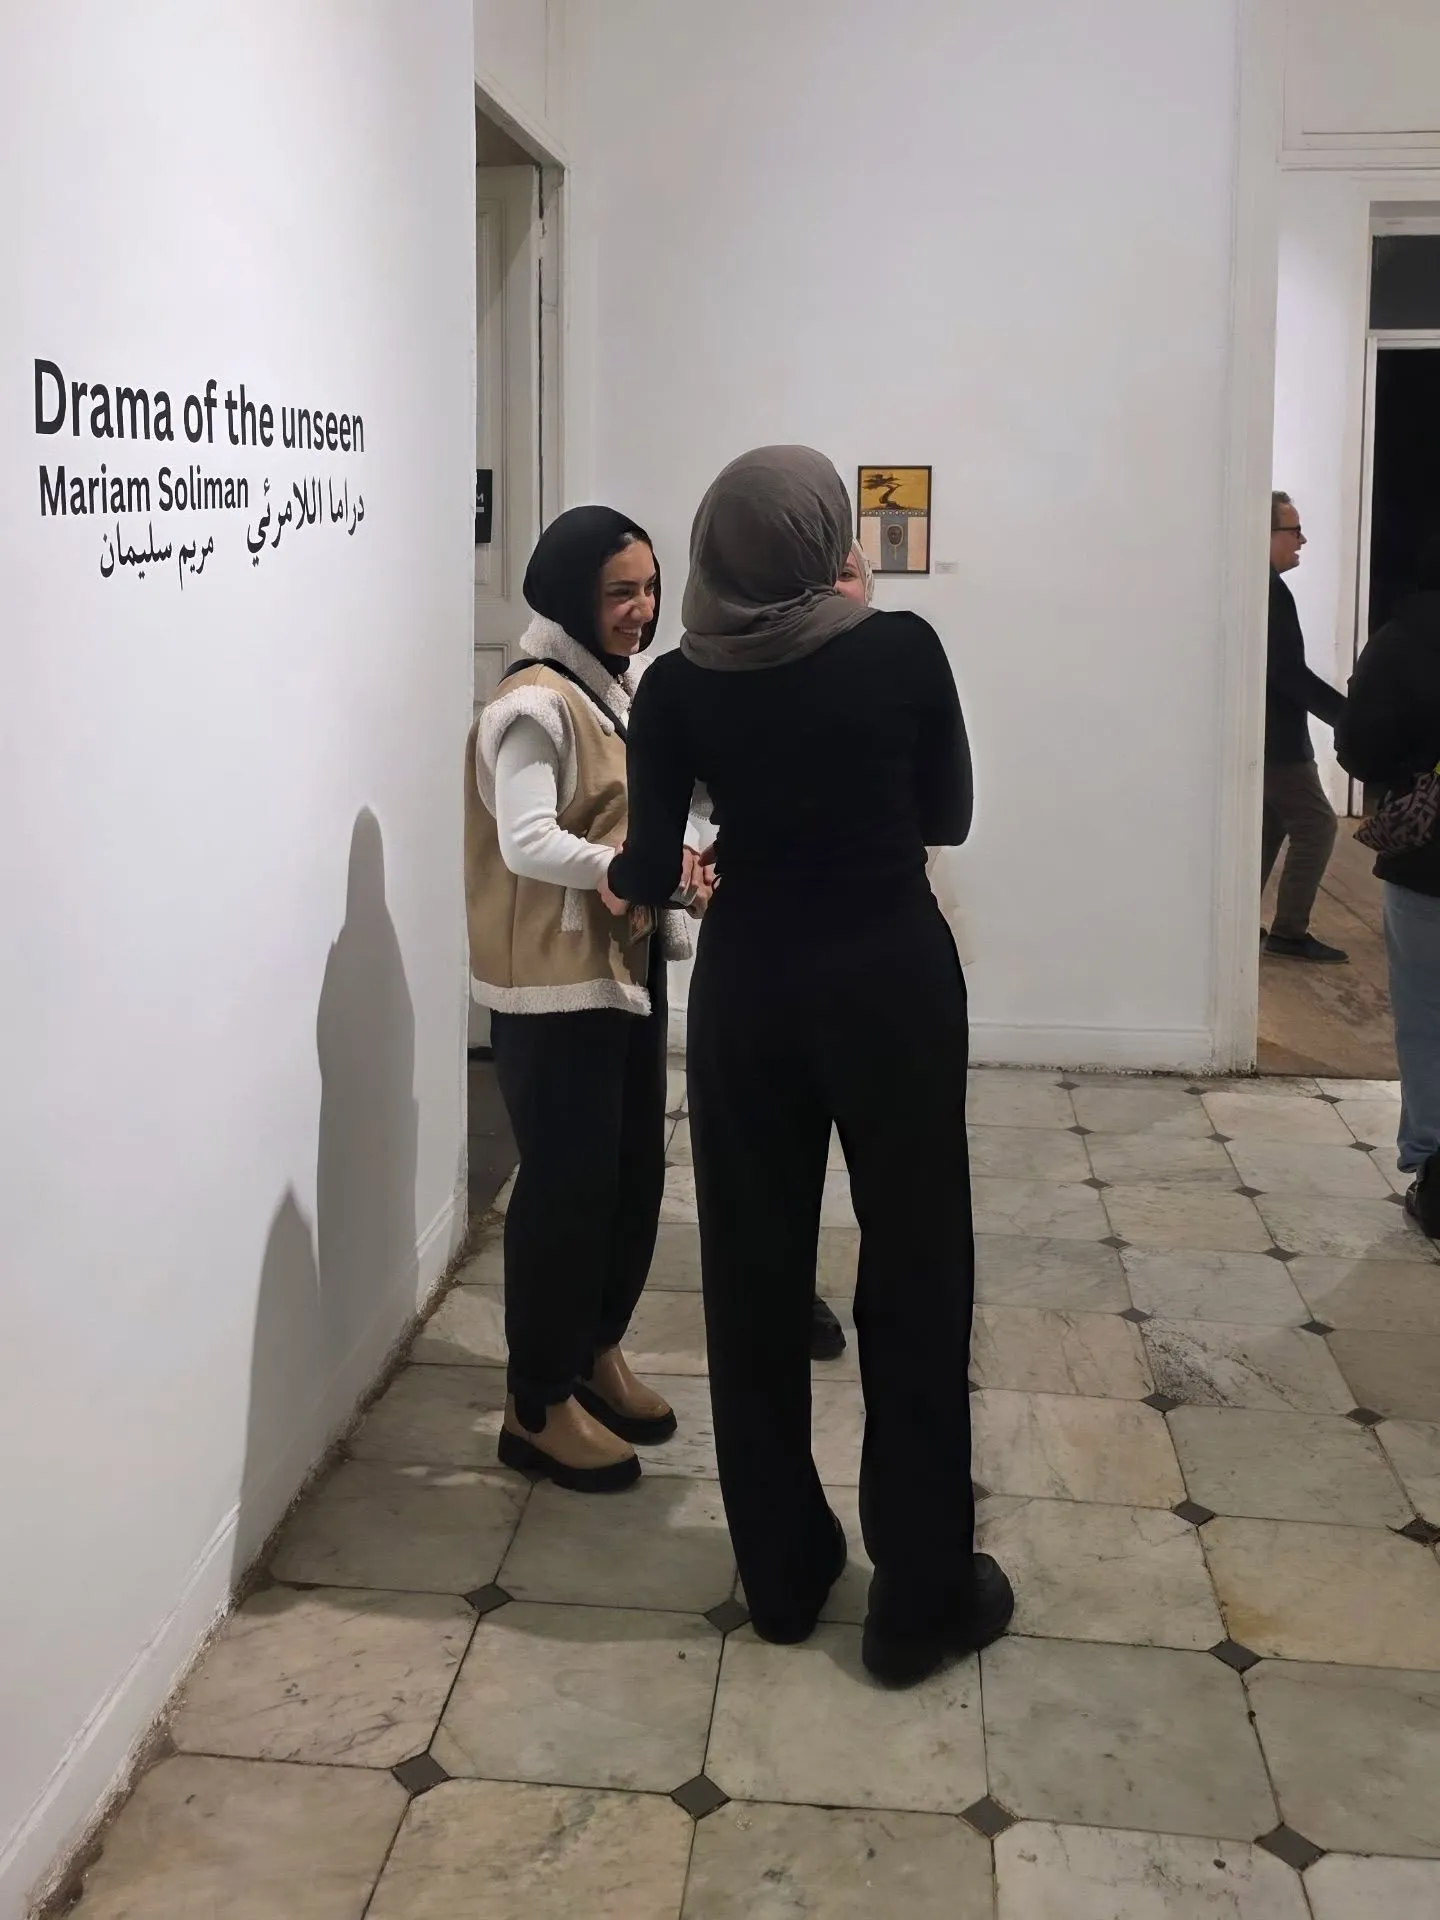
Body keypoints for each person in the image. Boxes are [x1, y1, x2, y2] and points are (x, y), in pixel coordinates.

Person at [604, 446, 1013, 1686]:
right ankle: (920, 1598)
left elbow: (648, 865)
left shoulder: (676, 682)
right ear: (826, 538)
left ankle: (783, 1575)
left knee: (754, 1273)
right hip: (889, 979)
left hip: (752, 989)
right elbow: (947, 816)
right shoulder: (901, 650)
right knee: (917, 1269)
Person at [464, 506, 705, 1492]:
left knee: (628, 1177)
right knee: (566, 1192)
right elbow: (526, 840)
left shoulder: (611, 691)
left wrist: (678, 854)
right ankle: (536, 1404)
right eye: (619, 592)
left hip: (619, 966)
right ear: (571, 594)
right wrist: (623, 866)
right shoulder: (535, 702)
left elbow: (637, 810)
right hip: (554, 987)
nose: (640, 609)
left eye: (648, 588)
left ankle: (594, 1350)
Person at [1336, 532, 1440, 1236]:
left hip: (1431, 862)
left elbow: (1359, 746)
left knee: (1427, 1019)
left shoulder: (1405, 639)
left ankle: (1437, 1174)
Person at [1262, 492, 1348, 963]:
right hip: (1278, 742)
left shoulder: (1262, 588)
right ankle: (1289, 932)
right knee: (1317, 825)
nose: (1302, 540)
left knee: (1269, 824)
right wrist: (1346, 717)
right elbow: (1288, 673)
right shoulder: (1270, 591)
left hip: (1267, 736)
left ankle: (1237, 922)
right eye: (1293, 531)